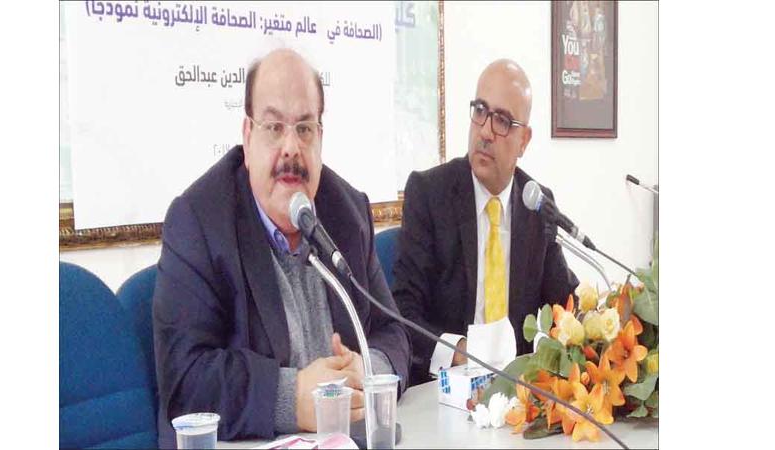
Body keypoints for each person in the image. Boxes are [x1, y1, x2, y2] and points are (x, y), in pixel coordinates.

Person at [151, 48, 410, 447]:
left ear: (320, 137)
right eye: (274, 127)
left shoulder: (348, 212)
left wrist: (367, 372)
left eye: (304, 128)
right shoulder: (198, 221)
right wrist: (291, 398)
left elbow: (393, 332)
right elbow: (186, 379)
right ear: (247, 136)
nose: (291, 147)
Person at [392, 60, 579, 387]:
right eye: (480, 111)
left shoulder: (535, 204)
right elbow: (403, 311)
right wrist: (463, 352)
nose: (486, 132)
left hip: (516, 393)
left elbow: (565, 307)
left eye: (502, 120)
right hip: (445, 387)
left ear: (524, 140)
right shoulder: (430, 193)